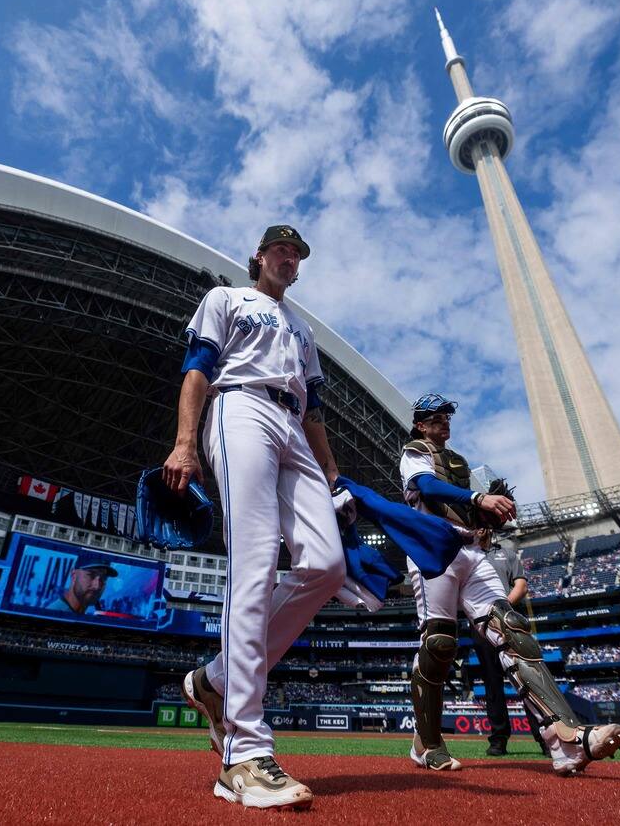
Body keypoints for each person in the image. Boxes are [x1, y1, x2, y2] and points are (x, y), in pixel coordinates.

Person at [168, 225, 344, 809]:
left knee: (326, 566)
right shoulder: (226, 298)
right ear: (259, 256)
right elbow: (198, 367)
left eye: (297, 254)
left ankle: (216, 679)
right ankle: (242, 753)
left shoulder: (303, 328)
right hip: (240, 405)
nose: (290, 259)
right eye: (281, 250)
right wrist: (184, 443)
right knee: (256, 560)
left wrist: (331, 470)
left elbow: (314, 409)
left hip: (293, 424)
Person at [401, 394, 620, 775]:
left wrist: (486, 516)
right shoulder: (415, 452)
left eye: (447, 418)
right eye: (436, 418)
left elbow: (464, 510)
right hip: (432, 548)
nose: (444, 423)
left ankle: (564, 738)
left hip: (470, 550)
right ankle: (427, 742)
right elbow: (426, 486)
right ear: (420, 425)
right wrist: (478, 497)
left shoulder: (457, 462)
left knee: (513, 629)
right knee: (439, 643)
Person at [471, 539, 549, 756]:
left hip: (509, 622)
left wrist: (500, 612)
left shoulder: (507, 554)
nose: (479, 528)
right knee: (492, 685)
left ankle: (545, 736)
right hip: (481, 627)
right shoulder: (467, 555)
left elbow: (521, 586)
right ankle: (498, 739)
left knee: (527, 679)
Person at [42, 558, 117, 615]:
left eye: (104, 578)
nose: (97, 586)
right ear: (74, 575)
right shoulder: (54, 616)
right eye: (91, 575)